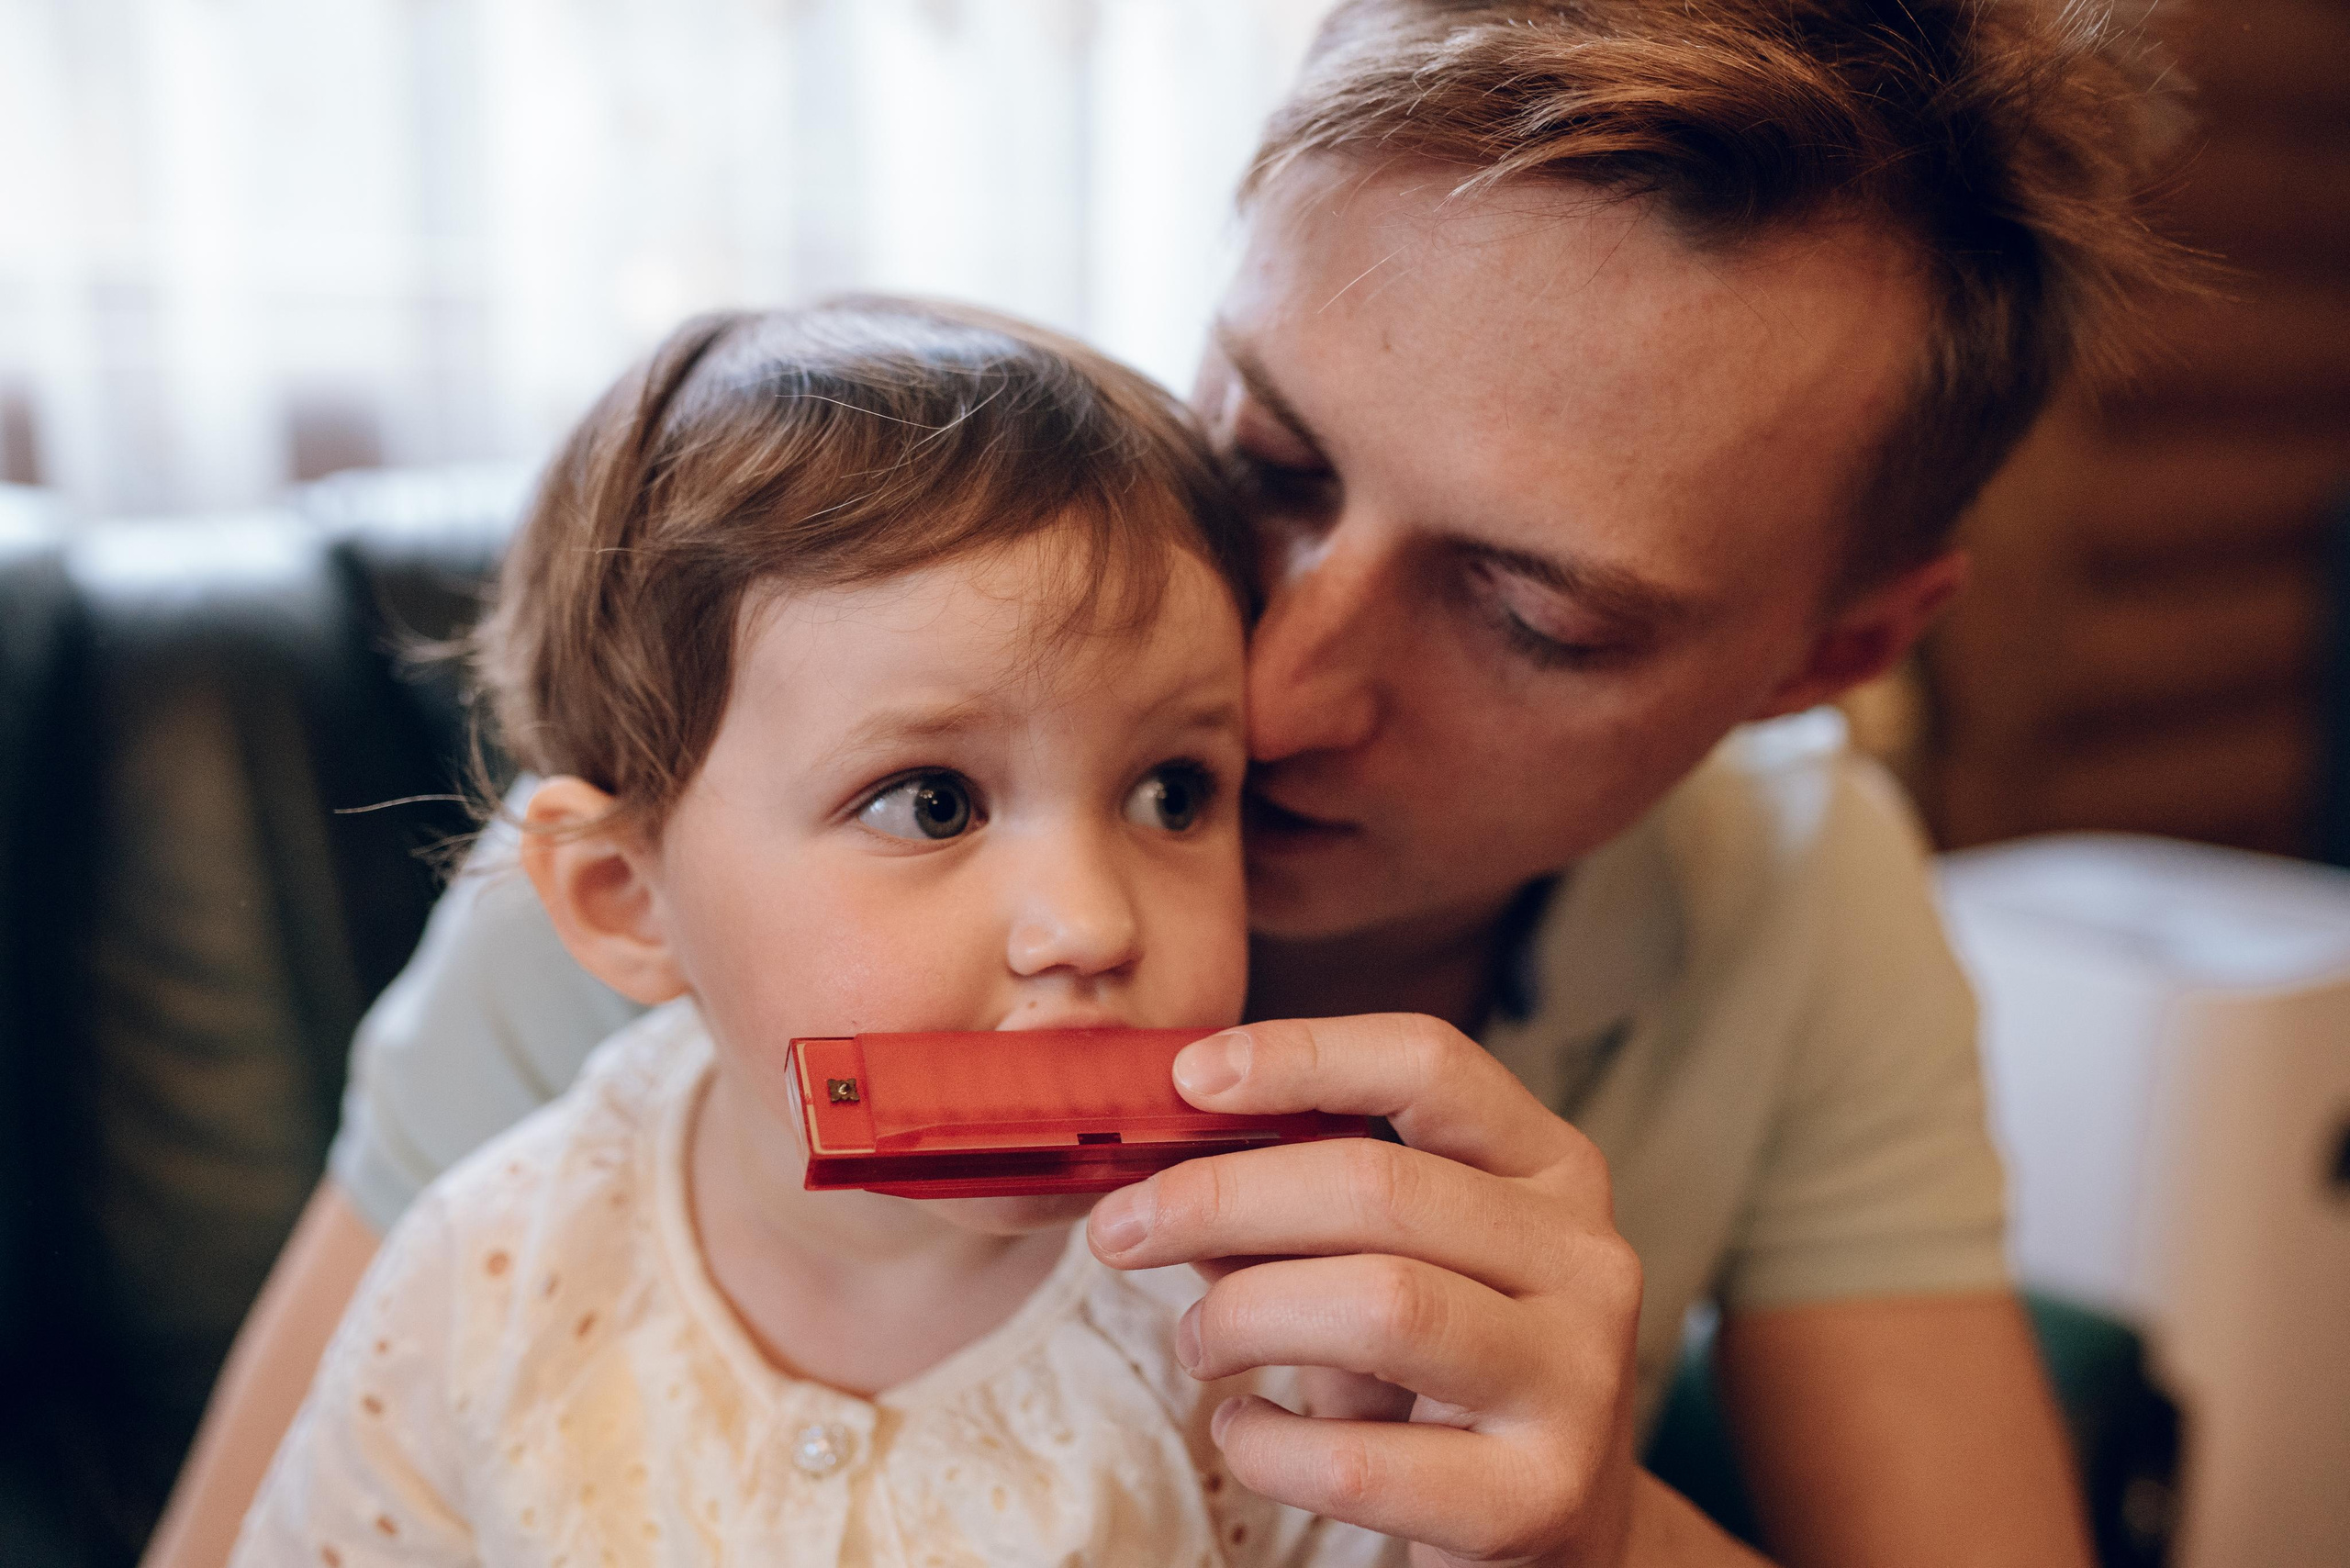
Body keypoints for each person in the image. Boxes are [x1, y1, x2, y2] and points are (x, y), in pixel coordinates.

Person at [150, 3, 2191, 1565]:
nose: (1278, 685)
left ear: (1825, 657)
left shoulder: (1798, 880)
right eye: (1274, 458)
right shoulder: (688, 866)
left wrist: (1608, 1534)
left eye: (1533, 613)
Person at [233, 297, 1391, 1562]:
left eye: (1172, 792)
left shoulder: (1266, 1328)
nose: (1092, 922)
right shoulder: (486, 1284)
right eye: (931, 801)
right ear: (629, 899)